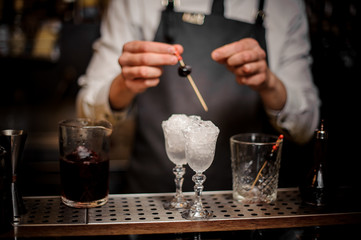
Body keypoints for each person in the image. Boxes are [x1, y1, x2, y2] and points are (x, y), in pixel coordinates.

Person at [76, 0, 320, 193]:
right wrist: (124, 84)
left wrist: (269, 84)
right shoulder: (134, 2)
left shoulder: (285, 5)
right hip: (153, 198)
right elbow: (87, 116)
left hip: (247, 201)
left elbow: (305, 129)